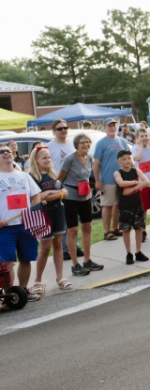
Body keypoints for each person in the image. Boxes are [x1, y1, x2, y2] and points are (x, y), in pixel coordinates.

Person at [0, 143, 43, 302]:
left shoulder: (24, 176)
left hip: (26, 225)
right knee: (7, 263)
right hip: (5, 229)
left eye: (8, 151)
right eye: (2, 152)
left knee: (26, 259)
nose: (6, 153)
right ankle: (10, 294)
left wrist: (34, 211)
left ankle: (23, 291)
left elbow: (36, 196)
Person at [28, 147, 70, 295]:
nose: (47, 160)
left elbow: (64, 192)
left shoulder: (53, 175)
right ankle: (38, 280)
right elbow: (39, 197)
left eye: (49, 158)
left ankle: (60, 277)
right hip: (43, 214)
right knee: (45, 247)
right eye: (44, 158)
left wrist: (51, 193)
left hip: (58, 212)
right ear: (36, 160)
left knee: (58, 244)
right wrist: (55, 194)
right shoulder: (33, 177)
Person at [59, 134, 100, 276]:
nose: (85, 145)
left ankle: (87, 260)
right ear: (76, 144)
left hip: (86, 195)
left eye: (88, 142)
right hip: (71, 196)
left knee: (87, 226)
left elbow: (87, 176)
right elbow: (60, 178)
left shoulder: (89, 158)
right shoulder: (70, 159)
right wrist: (60, 193)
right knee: (73, 230)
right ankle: (75, 264)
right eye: (82, 142)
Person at [92, 118, 130, 241]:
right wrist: (97, 180)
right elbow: (96, 162)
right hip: (107, 179)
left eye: (114, 125)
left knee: (118, 205)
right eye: (109, 126)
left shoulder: (122, 141)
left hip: (122, 179)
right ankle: (107, 231)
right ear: (104, 128)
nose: (112, 128)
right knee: (107, 205)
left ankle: (115, 228)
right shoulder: (101, 143)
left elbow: (129, 159)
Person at [112, 150, 150, 265]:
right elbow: (121, 183)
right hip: (125, 207)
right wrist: (136, 182)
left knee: (138, 228)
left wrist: (133, 188)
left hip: (137, 204)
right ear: (119, 161)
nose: (127, 161)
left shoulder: (136, 171)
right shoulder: (117, 173)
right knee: (126, 230)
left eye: (129, 158)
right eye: (124, 159)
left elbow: (147, 182)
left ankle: (138, 251)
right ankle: (129, 253)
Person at [47, 119, 76, 259]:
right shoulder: (49, 147)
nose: (63, 130)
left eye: (65, 127)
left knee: (73, 218)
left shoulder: (72, 145)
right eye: (60, 128)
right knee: (63, 217)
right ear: (54, 131)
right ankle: (65, 249)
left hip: (73, 185)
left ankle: (74, 246)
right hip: (58, 186)